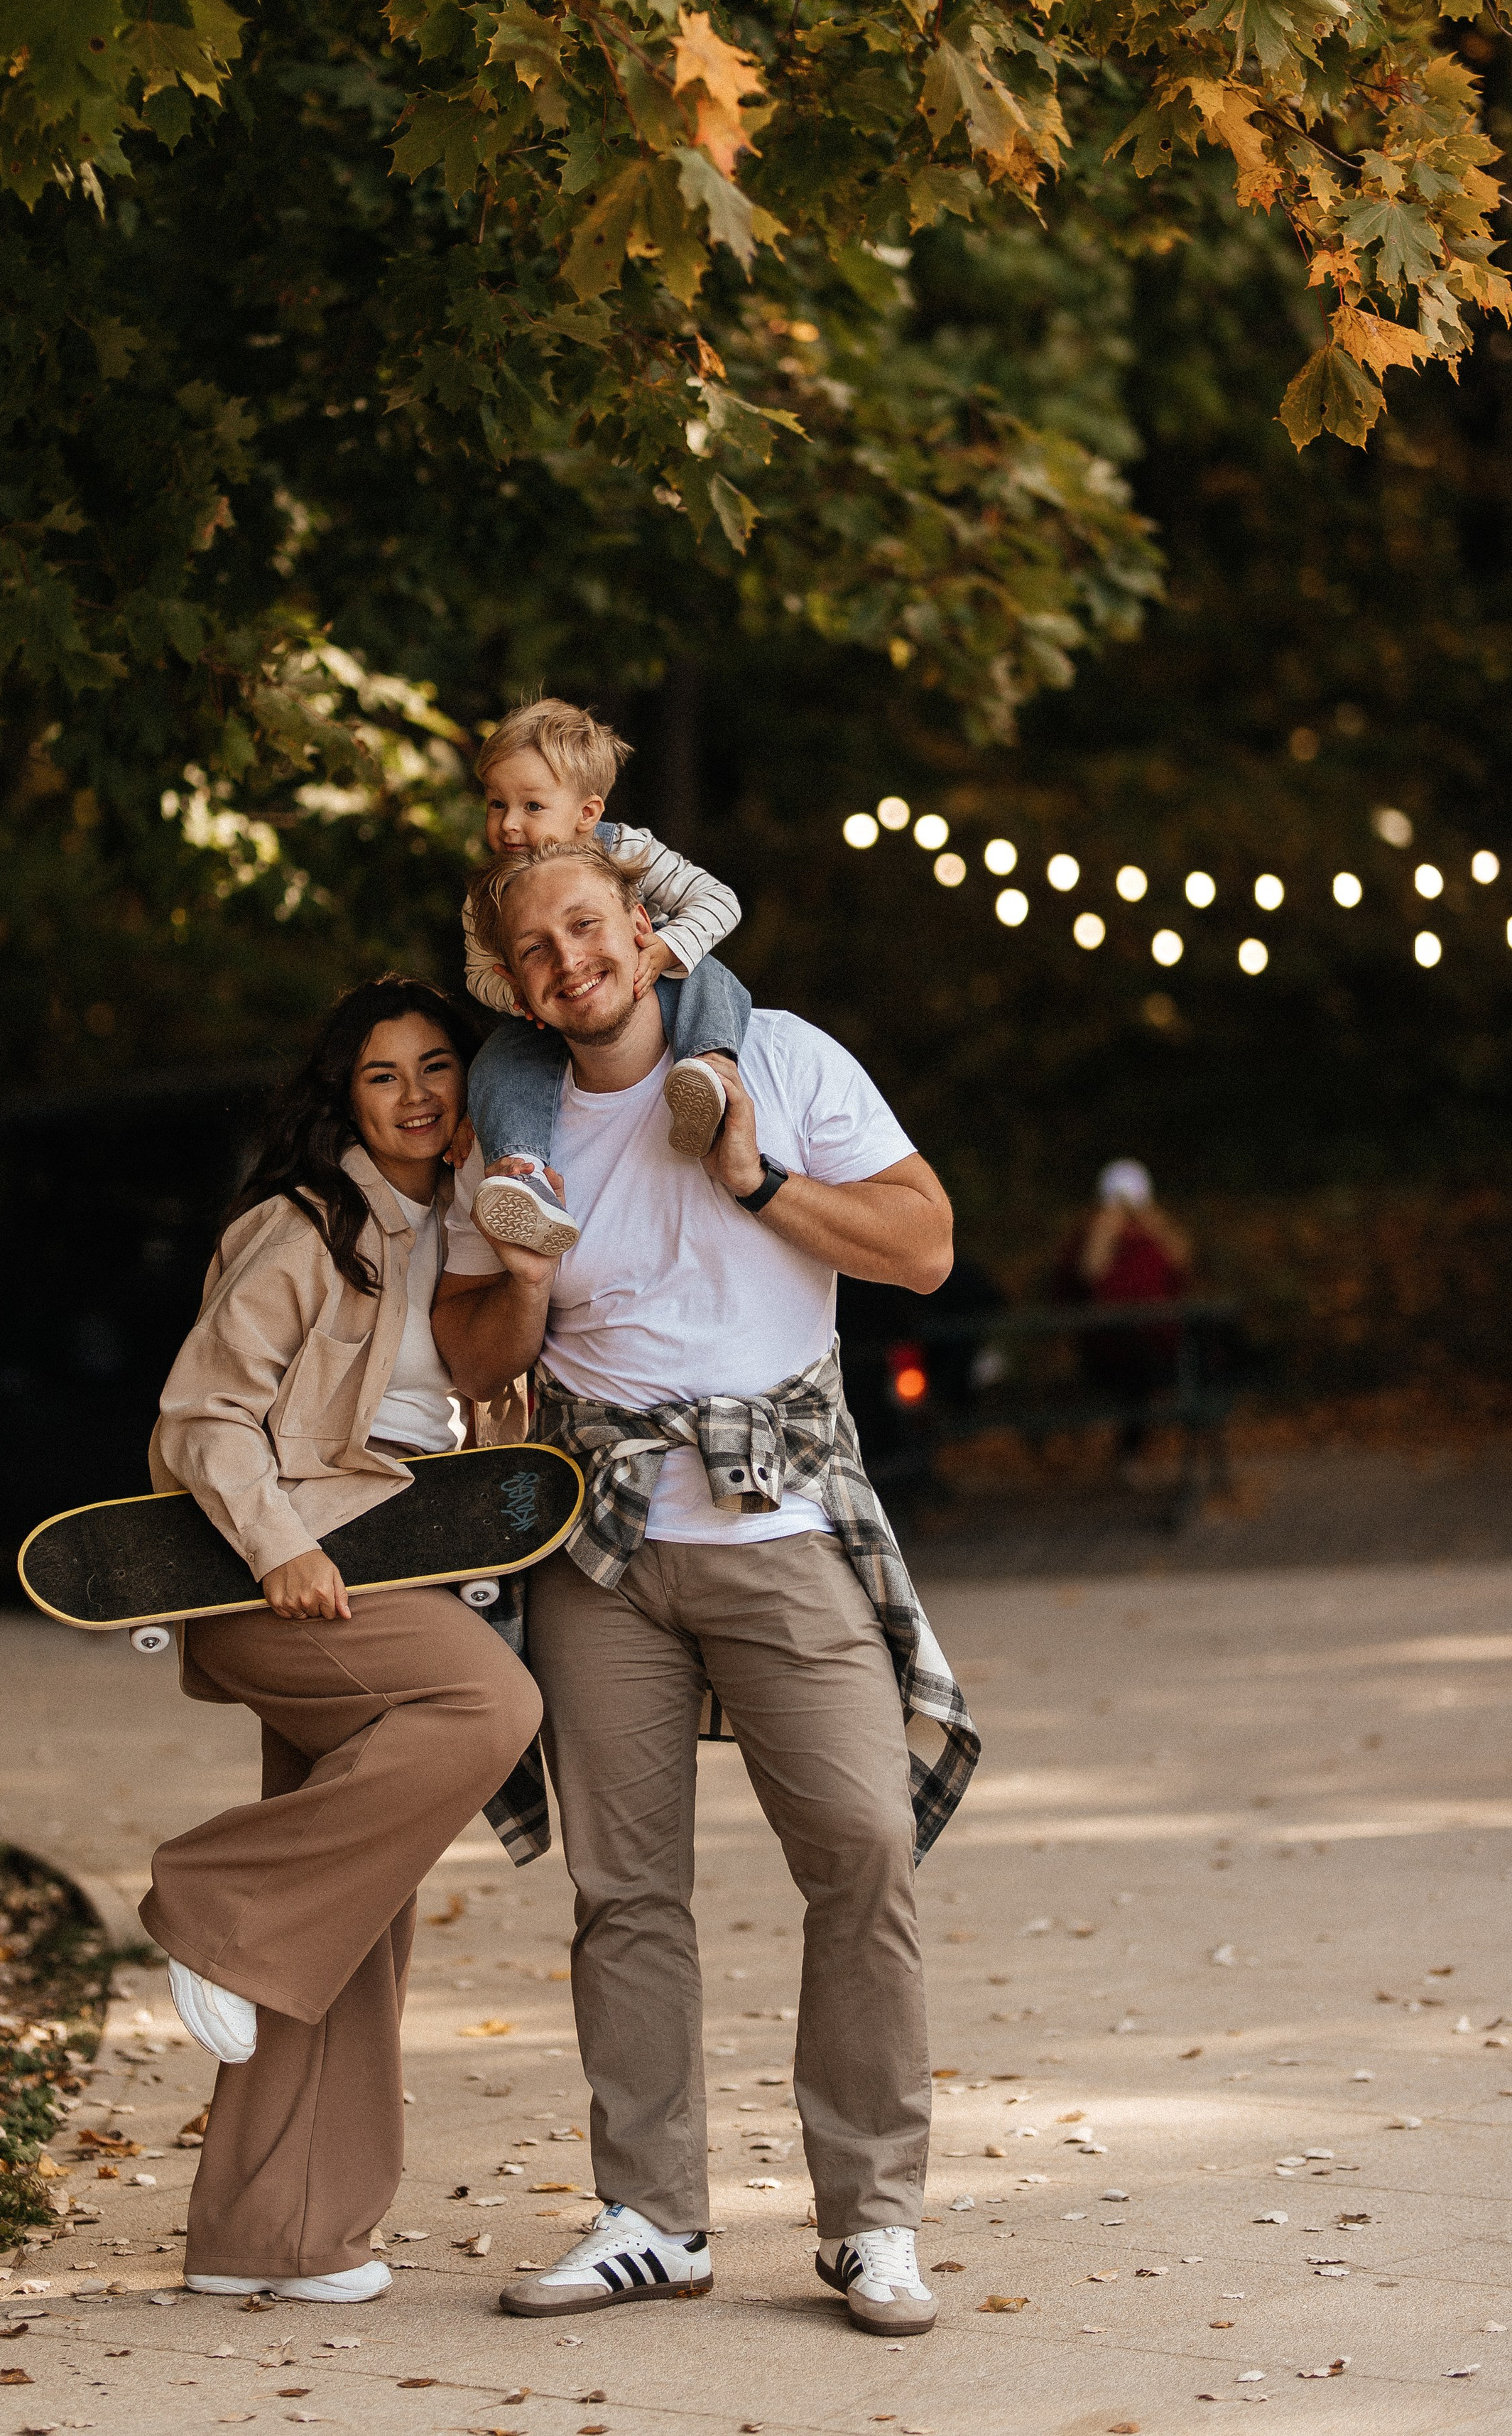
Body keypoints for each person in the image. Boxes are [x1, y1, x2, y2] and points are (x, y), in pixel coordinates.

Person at [431, 841, 981, 2340]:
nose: (568, 962)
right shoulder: (516, 1126)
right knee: (621, 1892)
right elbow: (472, 1358)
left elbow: (925, 1246)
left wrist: (755, 1173)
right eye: (534, 948)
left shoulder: (781, 1061)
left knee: (863, 1848)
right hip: (600, 1549)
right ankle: (651, 2219)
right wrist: (524, 1278)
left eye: (586, 928)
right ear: (513, 981)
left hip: (782, 1526)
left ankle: (870, 2221)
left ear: (646, 936)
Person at [136, 979, 543, 2305]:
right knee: (491, 1710)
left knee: (355, 1913)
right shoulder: (303, 1227)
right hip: (288, 1593)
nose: (419, 1094)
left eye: (439, 1067)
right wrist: (281, 1548)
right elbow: (203, 1419)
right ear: (342, 1098)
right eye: (384, 1075)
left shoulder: (475, 1232)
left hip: (394, 1587)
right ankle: (216, 1906)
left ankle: (275, 2238)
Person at [462, 695, 751, 1258]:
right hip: (551, 1015)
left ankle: (709, 1076)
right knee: (500, 1058)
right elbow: (478, 973)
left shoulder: (628, 848)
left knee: (708, 974)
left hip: (650, 985)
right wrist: (519, 994)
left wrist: (666, 947)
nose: (509, 824)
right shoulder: (489, 895)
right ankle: (524, 1177)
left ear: (588, 815)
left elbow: (718, 900)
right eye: (497, 804)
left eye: (532, 806)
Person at [1054, 1157, 1192, 1457]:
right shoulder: (1088, 1236)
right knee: (1135, 1372)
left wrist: (1152, 1223)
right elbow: (1086, 1276)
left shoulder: (1153, 1237)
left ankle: (1136, 1450)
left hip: (1157, 1342)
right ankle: (1128, 1452)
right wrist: (1104, 1230)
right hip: (1109, 1347)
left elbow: (1181, 1265)